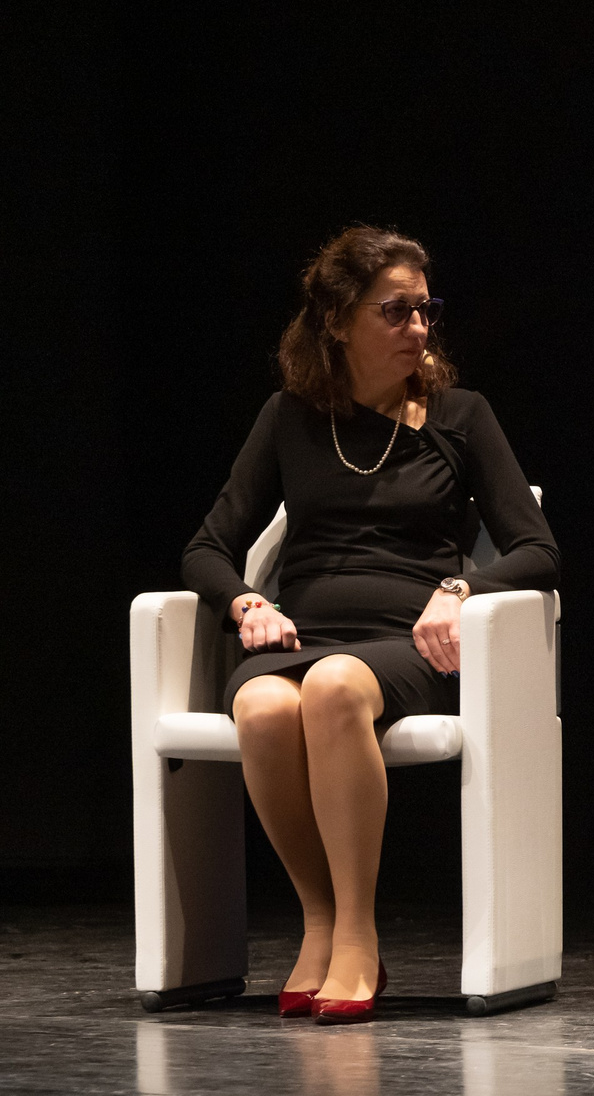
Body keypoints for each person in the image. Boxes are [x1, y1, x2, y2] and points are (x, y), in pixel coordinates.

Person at [183, 227, 559, 1024]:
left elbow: (537, 547)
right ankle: (319, 919)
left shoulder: (461, 416)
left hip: (406, 644)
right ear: (338, 322)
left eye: (425, 310)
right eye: (395, 312)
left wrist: (461, 585)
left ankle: (357, 931)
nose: (418, 328)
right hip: (304, 636)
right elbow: (209, 547)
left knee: (332, 687)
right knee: (260, 703)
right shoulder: (288, 417)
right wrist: (248, 603)